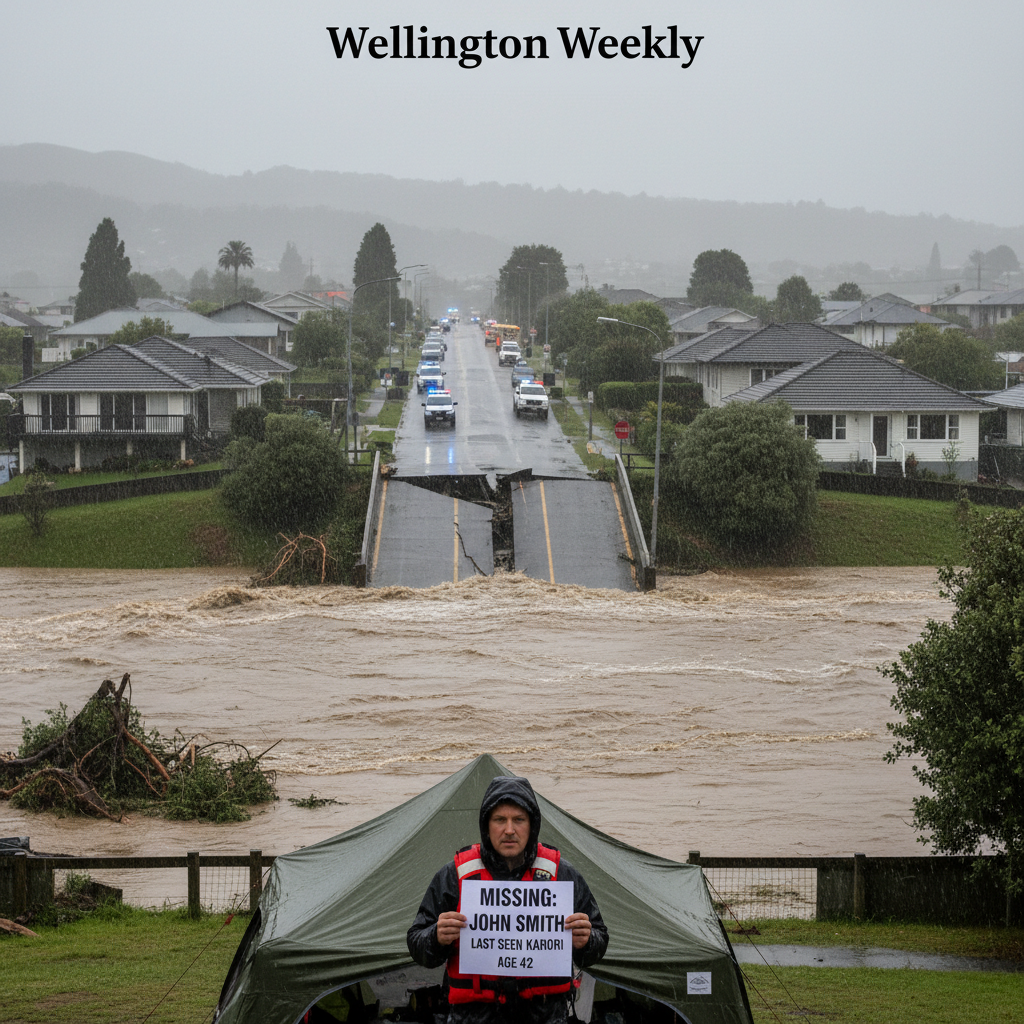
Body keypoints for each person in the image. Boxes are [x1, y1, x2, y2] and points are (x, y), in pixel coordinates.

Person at [407, 775, 608, 1024]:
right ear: (486, 825)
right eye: (500, 820)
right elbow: (417, 946)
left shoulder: (562, 875)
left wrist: (586, 941)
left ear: (532, 825)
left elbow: (598, 943)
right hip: (473, 1017)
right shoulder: (454, 875)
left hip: (544, 1016)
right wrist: (436, 937)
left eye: (519, 820)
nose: (509, 830)